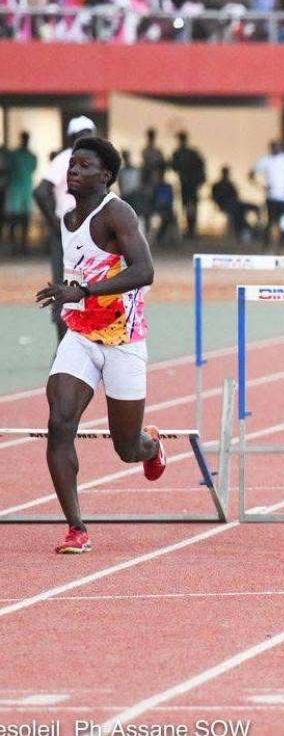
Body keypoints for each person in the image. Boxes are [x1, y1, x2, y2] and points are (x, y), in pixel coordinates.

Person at [35, 136, 166, 554]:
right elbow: (77, 272)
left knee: (126, 448)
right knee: (59, 424)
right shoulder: (66, 216)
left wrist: (84, 291)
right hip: (80, 337)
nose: (73, 170)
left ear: (105, 175)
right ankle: (76, 528)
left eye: (84, 165)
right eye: (72, 164)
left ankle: (152, 445)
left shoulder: (118, 214)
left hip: (123, 340)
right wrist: (66, 291)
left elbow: (145, 271)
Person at [34, 116, 97, 343]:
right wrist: (55, 224)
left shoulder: (90, 162)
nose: (87, 139)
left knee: (85, 284)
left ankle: (79, 341)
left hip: (86, 232)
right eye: (83, 136)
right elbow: (41, 191)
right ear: (73, 139)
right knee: (64, 285)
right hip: (68, 231)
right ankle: (64, 346)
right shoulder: (65, 160)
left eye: (89, 134)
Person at [253, 140, 284, 249]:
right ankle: (267, 245)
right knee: (270, 221)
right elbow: (251, 174)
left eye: (278, 146)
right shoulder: (265, 160)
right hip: (271, 197)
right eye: (274, 147)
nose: (276, 149)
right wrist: (261, 186)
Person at [170, 131, 206, 239]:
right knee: (190, 207)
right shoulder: (190, 153)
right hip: (189, 184)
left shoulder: (181, 153)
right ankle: (191, 230)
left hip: (188, 184)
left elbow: (174, 167)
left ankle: (191, 230)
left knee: (188, 206)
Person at [211, 165, 260, 242]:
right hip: (226, 206)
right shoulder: (217, 185)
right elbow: (216, 198)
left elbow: (236, 196)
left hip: (236, 204)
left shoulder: (231, 184)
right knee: (237, 213)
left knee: (254, 207)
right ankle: (243, 231)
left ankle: (255, 229)